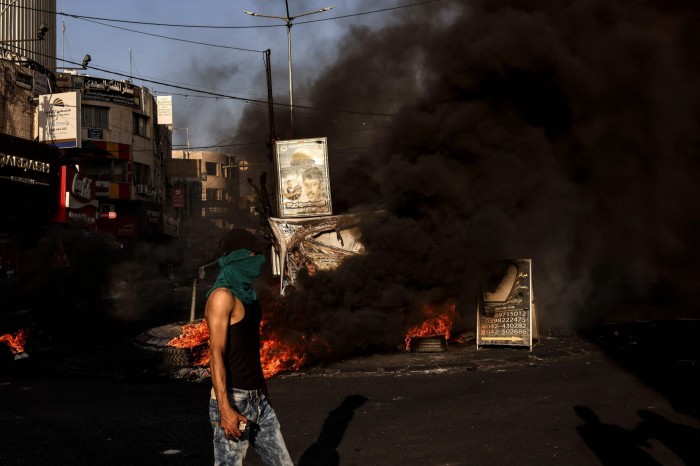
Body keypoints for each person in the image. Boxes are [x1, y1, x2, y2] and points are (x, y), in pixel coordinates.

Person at [205, 228, 294, 466]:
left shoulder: (249, 296)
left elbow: (250, 350)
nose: (261, 260)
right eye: (255, 255)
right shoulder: (222, 297)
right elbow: (215, 354)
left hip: (258, 398)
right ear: (239, 257)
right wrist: (225, 408)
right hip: (234, 399)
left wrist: (263, 393)